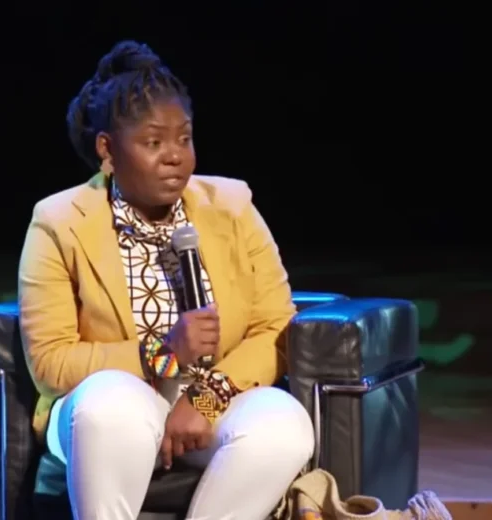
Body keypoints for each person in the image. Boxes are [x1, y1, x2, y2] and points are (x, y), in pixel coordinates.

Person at [19, 40, 315, 520]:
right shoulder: (59, 222)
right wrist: (163, 352)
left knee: (284, 423)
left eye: (184, 138)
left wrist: (206, 397)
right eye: (154, 143)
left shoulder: (232, 207)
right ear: (108, 150)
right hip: (103, 408)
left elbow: (275, 327)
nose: (175, 156)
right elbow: (51, 363)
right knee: (110, 404)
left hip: (210, 401)